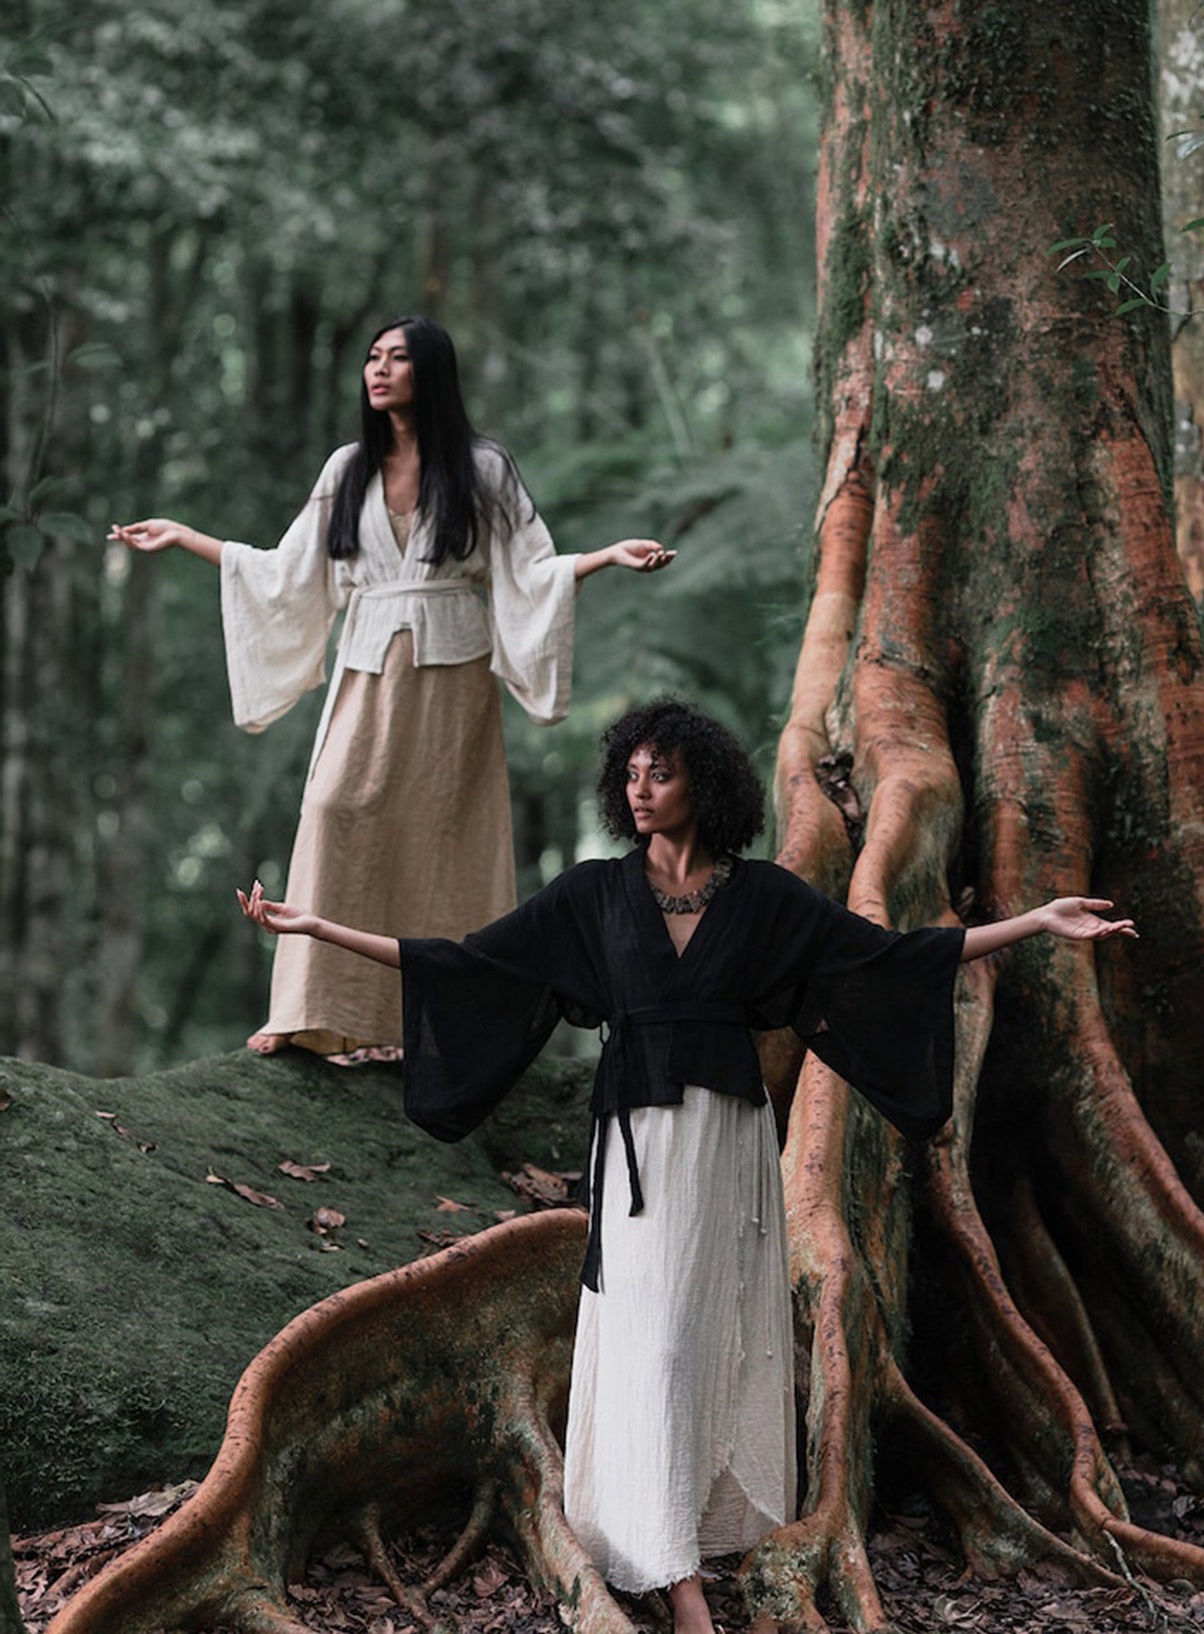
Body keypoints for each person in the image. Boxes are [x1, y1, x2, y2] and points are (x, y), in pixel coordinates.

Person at [237, 695, 1137, 1634]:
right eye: (629, 773)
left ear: (701, 786)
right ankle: (675, 1579)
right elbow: (467, 963)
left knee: (711, 1337)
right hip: (636, 1147)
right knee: (652, 1341)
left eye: (657, 773)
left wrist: (1034, 922)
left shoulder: (760, 900)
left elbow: (888, 958)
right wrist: (317, 930)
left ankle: (706, 1531)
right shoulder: (592, 894)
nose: (638, 789)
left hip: (727, 1144)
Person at [112, 315, 673, 1056]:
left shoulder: (483, 468)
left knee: (446, 837)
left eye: (396, 358)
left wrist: (603, 556)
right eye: (372, 358)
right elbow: (287, 573)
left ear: (429, 371)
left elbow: (526, 569)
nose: (377, 370)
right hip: (368, 666)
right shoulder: (348, 468)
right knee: (334, 807)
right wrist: (186, 537)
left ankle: (453, 1022)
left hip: (452, 675)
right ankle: (309, 1010)